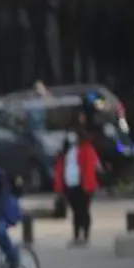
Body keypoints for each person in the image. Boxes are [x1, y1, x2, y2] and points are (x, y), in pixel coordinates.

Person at [52, 101, 102, 246]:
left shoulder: (86, 147)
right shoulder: (67, 150)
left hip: (83, 184)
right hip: (70, 183)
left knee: (83, 210)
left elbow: (92, 165)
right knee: (75, 211)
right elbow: (60, 166)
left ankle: (85, 236)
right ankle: (76, 236)